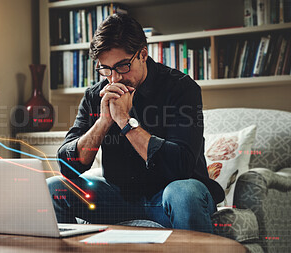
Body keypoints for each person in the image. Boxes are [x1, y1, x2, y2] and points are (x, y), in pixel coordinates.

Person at [47, 13, 224, 233]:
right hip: (117, 199)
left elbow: (181, 167)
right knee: (55, 188)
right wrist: (103, 122)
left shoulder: (181, 88)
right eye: (105, 69)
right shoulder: (97, 95)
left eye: (122, 66)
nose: (114, 78)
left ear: (142, 54)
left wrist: (125, 121)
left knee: (182, 193)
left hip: (172, 198)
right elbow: (68, 166)